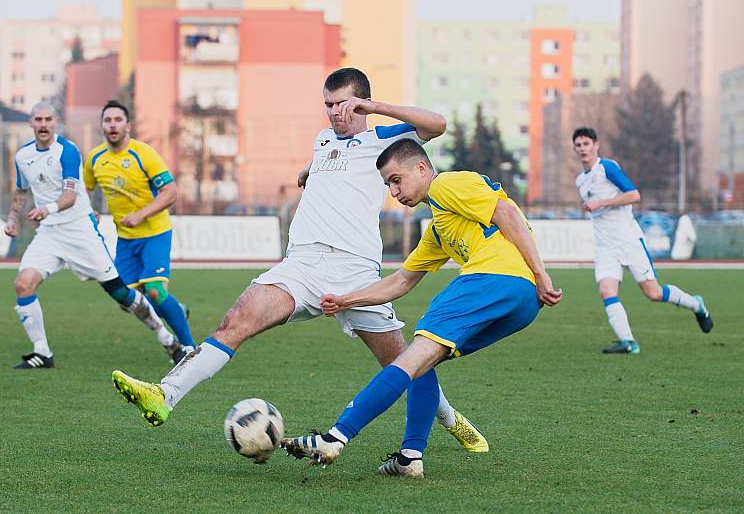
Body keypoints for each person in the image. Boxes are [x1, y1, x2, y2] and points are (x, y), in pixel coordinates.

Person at [110, 68, 487, 453]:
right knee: (235, 320)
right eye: (328, 105)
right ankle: (165, 394)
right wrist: (310, 174)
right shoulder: (323, 140)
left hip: (355, 271)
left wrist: (374, 107)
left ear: (361, 102)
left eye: (343, 103)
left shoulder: (382, 139)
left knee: (409, 362)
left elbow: (437, 124)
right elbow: (331, 167)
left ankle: (450, 419)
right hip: (301, 266)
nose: (335, 112)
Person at [281, 138, 562, 478]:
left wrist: (541, 272)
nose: (394, 192)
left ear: (421, 168)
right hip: (523, 302)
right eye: (388, 185)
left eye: (396, 180)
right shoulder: (440, 228)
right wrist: (346, 300)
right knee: (423, 364)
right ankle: (410, 457)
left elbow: (505, 212)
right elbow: (401, 281)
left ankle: (335, 437)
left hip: (494, 278)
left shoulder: (445, 184)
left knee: (411, 359)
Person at [5, 102, 181, 369]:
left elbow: (71, 194)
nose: (43, 124)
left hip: (79, 230)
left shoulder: (68, 151)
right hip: (49, 233)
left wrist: (47, 208)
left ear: (56, 123)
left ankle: (168, 339)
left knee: (121, 294)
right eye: (38, 119)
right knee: (23, 284)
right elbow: (21, 191)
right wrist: (11, 218)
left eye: (48, 119)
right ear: (31, 123)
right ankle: (42, 353)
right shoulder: (23, 155)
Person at [572, 127, 712, 355]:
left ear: (596, 145)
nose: (582, 149)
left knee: (653, 293)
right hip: (605, 245)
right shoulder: (581, 180)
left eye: (586, 143)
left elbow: (634, 195)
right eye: (578, 145)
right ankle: (628, 342)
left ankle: (697, 304)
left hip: (628, 240)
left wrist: (601, 203)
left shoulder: (606, 168)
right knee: (607, 291)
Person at [85, 101, 196, 359]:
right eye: (108, 120)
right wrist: (88, 211)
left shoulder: (143, 154)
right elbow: (84, 191)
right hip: (125, 240)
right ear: (102, 126)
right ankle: (177, 308)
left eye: (117, 120)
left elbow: (171, 193)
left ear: (128, 126)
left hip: (155, 233)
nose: (113, 125)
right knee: (128, 301)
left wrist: (140, 215)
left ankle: (190, 348)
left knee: (155, 291)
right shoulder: (95, 159)